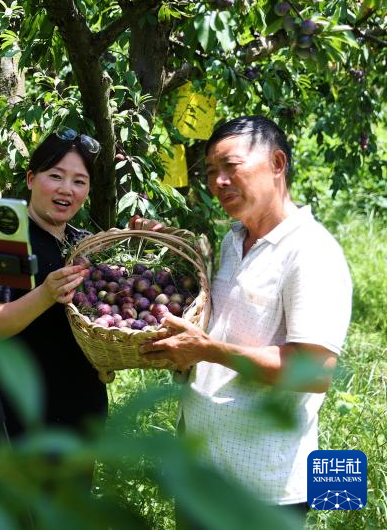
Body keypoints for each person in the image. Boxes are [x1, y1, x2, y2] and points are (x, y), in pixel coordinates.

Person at [137, 115, 352, 527]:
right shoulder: (234, 241)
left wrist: (208, 350)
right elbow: (221, 324)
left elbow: (315, 372)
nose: (218, 181)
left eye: (230, 166)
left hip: (262, 487)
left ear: (276, 163)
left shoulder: (311, 251)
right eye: (211, 172)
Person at [0, 128, 101, 451]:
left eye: (79, 181)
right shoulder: (7, 242)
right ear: (31, 179)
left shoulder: (82, 243)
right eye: (56, 176)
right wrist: (44, 295)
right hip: (22, 417)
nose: (66, 190)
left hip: (81, 411)